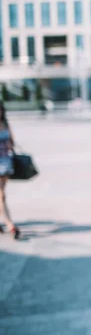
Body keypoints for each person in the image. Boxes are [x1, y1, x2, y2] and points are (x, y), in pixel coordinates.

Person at [0, 101, 19, 240]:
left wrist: (9, 144)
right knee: (1, 195)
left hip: (6, 164)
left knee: (2, 194)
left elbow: (12, 142)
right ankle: (10, 224)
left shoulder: (5, 124)